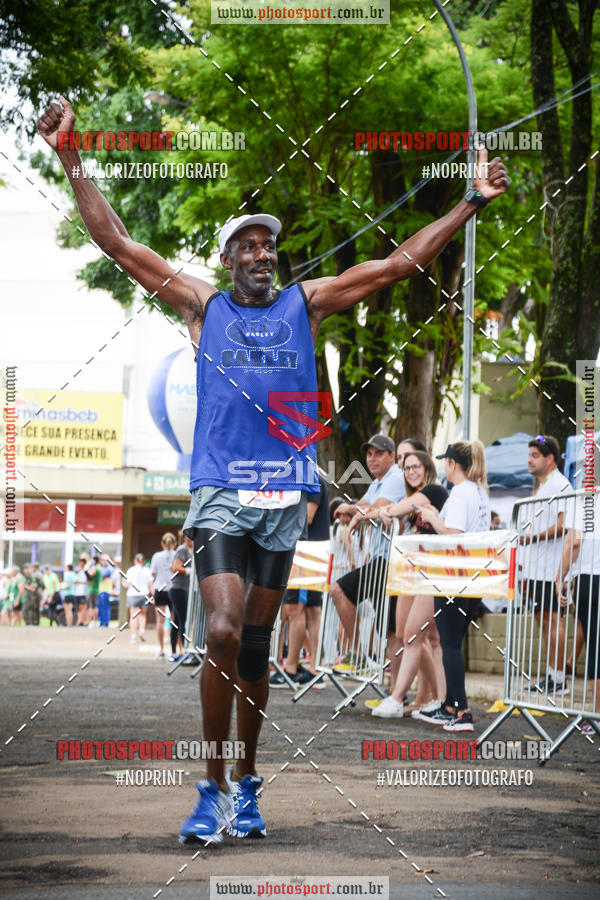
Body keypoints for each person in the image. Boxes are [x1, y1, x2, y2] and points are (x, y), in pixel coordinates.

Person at [37, 94, 509, 845]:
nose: (260, 255)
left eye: (268, 246)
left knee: (253, 649)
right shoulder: (201, 305)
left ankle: (248, 785)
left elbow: (396, 264)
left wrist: (470, 204)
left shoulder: (306, 303)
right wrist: (72, 161)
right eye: (247, 246)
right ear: (228, 261)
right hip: (221, 492)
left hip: (283, 498)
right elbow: (119, 245)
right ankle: (211, 784)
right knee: (219, 627)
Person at [353, 450, 448, 718]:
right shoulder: (412, 499)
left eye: (415, 466)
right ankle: (428, 699)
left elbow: (394, 509)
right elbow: (397, 512)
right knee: (412, 636)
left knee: (424, 637)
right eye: (406, 468)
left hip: (432, 572)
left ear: (427, 467)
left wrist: (369, 514)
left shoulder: (434, 491)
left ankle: (414, 698)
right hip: (410, 572)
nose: (410, 472)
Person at [414, 440, 491, 732]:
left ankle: (462, 712)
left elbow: (454, 534)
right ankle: (451, 705)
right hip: (472, 578)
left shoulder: (460, 493)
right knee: (452, 644)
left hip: (455, 577)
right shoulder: (480, 491)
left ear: (452, 463)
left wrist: (433, 517)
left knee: (450, 645)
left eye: (445, 462)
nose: (444, 467)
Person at [331, 434, 406, 672]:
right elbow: (364, 507)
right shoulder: (377, 482)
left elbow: (374, 508)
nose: (371, 458)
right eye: (369, 453)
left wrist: (349, 509)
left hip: (390, 560)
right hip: (383, 560)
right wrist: (351, 511)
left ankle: (358, 655)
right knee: (392, 630)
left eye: (378, 453)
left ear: (392, 456)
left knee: (339, 589)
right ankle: (396, 695)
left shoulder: (395, 477)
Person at [519, 435, 572, 695]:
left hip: (550, 568)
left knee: (552, 620)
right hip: (536, 567)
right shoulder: (545, 485)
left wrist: (532, 538)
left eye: (535, 455)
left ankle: (558, 678)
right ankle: (552, 675)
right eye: (529, 454)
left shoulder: (560, 484)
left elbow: (564, 525)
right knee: (543, 619)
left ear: (550, 459)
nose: (529, 460)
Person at [270, 476, 329, 688]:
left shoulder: (310, 477)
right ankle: (314, 669)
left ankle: (292, 669)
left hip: (307, 552)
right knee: (311, 612)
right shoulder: (308, 476)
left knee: (296, 610)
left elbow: (308, 516)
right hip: (311, 551)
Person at [556, 489, 600, 734]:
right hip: (591, 579)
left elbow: (574, 541)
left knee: (595, 647)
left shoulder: (585, 497)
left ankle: (597, 715)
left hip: (592, 579)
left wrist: (559, 577)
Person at [151, 533, 177, 659]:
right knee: (175, 621)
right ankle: (178, 650)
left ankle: (161, 650)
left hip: (160, 589)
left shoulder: (156, 556)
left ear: (162, 543)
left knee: (160, 621)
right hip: (174, 589)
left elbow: (153, 574)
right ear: (175, 543)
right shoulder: (178, 554)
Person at [168, 533, 193, 663]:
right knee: (183, 621)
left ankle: (175, 653)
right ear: (184, 538)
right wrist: (191, 571)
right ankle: (184, 652)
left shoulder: (191, 550)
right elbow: (176, 567)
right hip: (179, 589)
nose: (190, 539)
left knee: (177, 622)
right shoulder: (183, 550)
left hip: (183, 589)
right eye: (188, 537)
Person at [123, 554, 154, 644]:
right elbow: (151, 585)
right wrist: (153, 596)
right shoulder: (147, 571)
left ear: (135, 560)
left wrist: (122, 582)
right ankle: (142, 631)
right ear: (143, 561)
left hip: (133, 594)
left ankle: (133, 636)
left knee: (133, 616)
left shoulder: (130, 570)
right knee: (143, 615)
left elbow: (127, 584)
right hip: (144, 594)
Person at [97, 555, 114, 627]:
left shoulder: (110, 568)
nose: (104, 561)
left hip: (106, 591)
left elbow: (102, 576)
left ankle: (105, 623)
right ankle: (101, 622)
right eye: (102, 560)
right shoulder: (100, 568)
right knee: (100, 607)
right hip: (100, 590)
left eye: (106, 560)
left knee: (105, 607)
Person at [74, 557, 89, 626]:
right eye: (79, 563)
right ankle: (79, 621)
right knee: (79, 608)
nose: (80, 564)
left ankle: (83, 621)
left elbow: (89, 582)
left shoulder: (86, 571)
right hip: (77, 592)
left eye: (82, 563)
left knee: (83, 607)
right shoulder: (79, 571)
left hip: (83, 592)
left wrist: (79, 582)